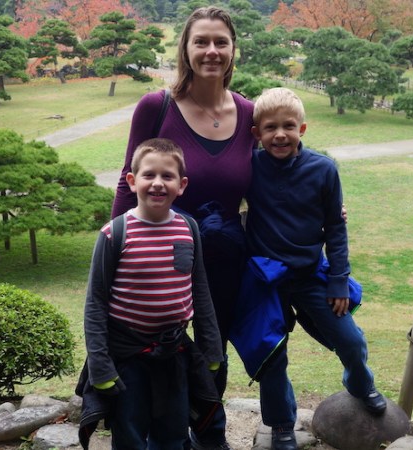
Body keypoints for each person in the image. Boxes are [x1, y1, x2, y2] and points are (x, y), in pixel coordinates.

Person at [111, 7, 254, 449]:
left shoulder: (249, 112)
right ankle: (166, 437)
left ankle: (209, 431)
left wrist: (326, 208)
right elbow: (126, 177)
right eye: (201, 42)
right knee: (157, 354)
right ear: (186, 49)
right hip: (160, 258)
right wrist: (116, 250)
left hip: (226, 258)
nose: (211, 51)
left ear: (233, 50)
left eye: (220, 42)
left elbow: (278, 172)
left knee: (215, 352)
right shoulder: (158, 106)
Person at [243, 88, 387, 450]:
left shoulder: (323, 169)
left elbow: (335, 228)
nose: (280, 134)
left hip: (311, 275)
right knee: (272, 354)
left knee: (350, 339)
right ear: (256, 133)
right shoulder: (248, 168)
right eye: (270, 127)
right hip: (266, 280)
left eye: (288, 126)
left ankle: (359, 383)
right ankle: (280, 425)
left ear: (302, 128)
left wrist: (338, 279)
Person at [79, 138, 224, 450]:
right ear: (132, 181)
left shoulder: (188, 228)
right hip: (128, 357)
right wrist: (99, 366)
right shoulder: (114, 234)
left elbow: (199, 292)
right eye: (149, 175)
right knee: (129, 431)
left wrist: (211, 349)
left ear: (181, 185)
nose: (158, 183)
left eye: (167, 176)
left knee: (173, 432)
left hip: (174, 354)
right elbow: (95, 303)